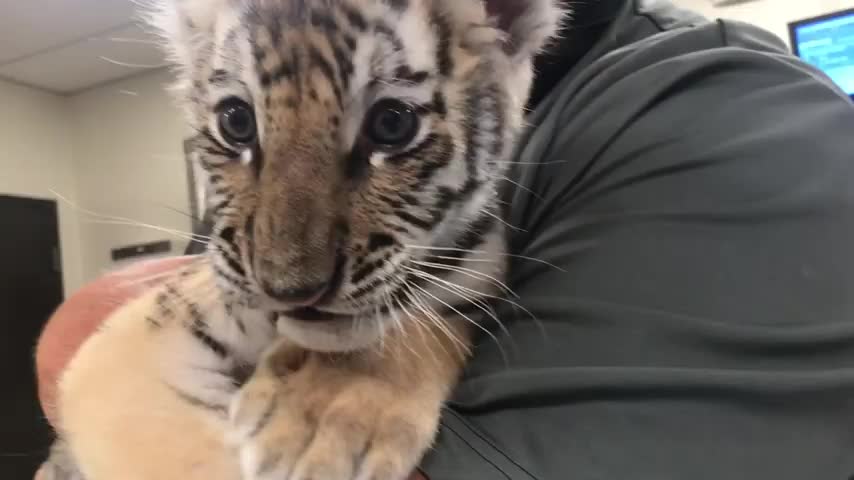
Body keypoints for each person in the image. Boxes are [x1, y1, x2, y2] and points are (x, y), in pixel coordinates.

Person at [36, 0, 854, 478]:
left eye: (391, 124)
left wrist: (410, 348)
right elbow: (98, 365)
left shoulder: (729, 118)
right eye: (236, 124)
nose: (288, 268)